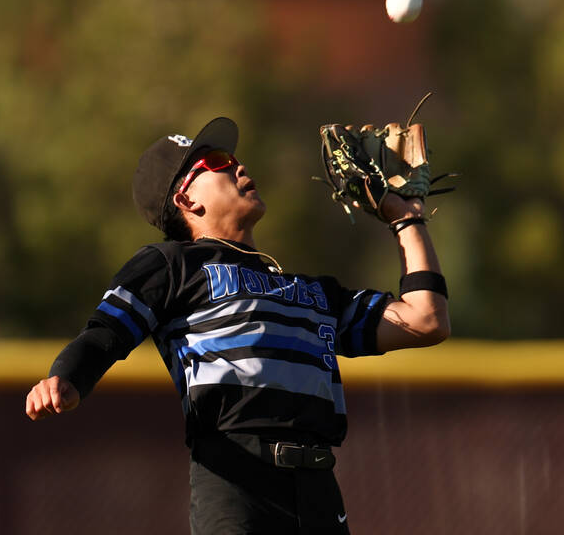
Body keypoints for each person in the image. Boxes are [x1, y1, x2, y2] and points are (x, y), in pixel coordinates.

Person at [25, 116, 450, 534]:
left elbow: (426, 319)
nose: (238, 166)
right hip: (237, 482)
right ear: (187, 201)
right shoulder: (172, 265)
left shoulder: (312, 292)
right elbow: (105, 332)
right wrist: (66, 377)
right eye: (215, 163)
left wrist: (406, 218)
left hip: (317, 491)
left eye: (231, 159)